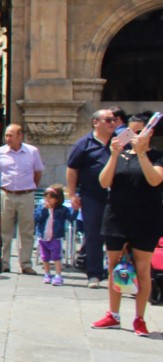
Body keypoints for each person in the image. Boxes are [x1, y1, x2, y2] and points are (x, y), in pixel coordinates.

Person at [91, 125, 163, 336]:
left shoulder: (157, 156)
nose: (135, 135)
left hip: (146, 219)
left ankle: (139, 318)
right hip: (117, 217)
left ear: (149, 133)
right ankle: (113, 314)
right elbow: (104, 182)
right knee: (114, 267)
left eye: (141, 131)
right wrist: (113, 155)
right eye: (131, 131)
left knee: (142, 269)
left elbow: (154, 179)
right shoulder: (119, 156)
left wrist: (141, 154)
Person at [67, 108, 116, 288]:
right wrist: (72, 194)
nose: (113, 123)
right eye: (108, 120)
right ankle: (94, 273)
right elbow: (72, 169)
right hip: (92, 196)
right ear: (96, 122)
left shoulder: (119, 142)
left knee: (116, 236)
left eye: (114, 120)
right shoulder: (83, 144)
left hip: (117, 196)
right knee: (94, 234)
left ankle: (116, 274)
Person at [0, 123, 45, 275]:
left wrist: (29, 186)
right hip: (6, 194)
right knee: (4, 230)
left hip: (26, 195)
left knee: (26, 231)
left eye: (10, 136)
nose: (7, 138)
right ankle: (4, 262)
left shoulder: (32, 152)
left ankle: (26, 264)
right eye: (6, 135)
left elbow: (37, 173)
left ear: (20, 136)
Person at [34, 184, 73, 285]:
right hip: (43, 236)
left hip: (55, 236)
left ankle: (58, 275)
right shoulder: (41, 207)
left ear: (57, 199)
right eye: (46, 198)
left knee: (56, 256)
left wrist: (76, 210)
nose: (47, 201)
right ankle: (47, 274)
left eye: (50, 198)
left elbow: (71, 218)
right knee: (44, 256)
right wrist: (44, 210)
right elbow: (36, 219)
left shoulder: (62, 209)